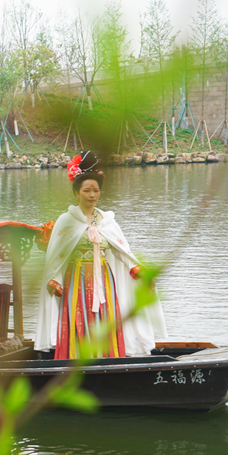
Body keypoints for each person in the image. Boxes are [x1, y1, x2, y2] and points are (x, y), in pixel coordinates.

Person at [35, 151, 166, 358]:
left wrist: (140, 271)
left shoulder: (107, 221)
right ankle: (77, 358)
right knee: (78, 316)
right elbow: (57, 257)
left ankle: (108, 355)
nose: (92, 195)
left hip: (105, 279)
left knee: (107, 316)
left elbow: (121, 250)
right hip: (76, 279)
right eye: (87, 190)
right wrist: (55, 279)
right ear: (77, 193)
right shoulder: (66, 221)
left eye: (96, 190)